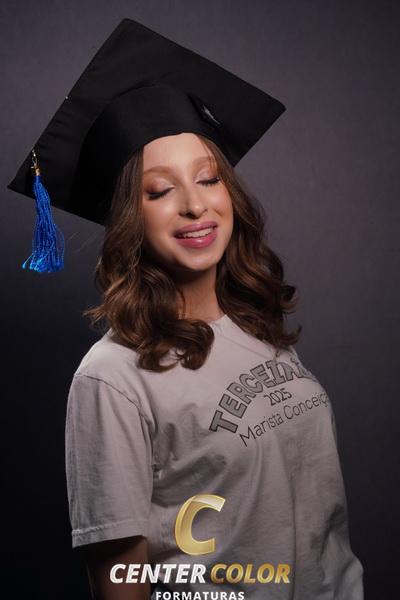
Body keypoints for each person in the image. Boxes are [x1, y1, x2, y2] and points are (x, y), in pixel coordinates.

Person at [8, 18, 364, 600]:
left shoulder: (255, 324)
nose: (195, 205)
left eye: (208, 178)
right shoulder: (113, 378)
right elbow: (121, 583)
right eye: (160, 190)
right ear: (130, 216)